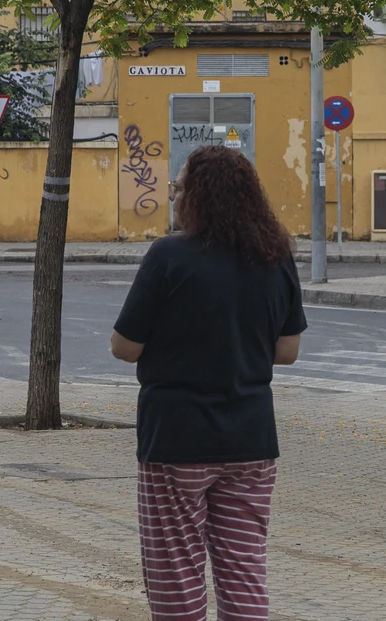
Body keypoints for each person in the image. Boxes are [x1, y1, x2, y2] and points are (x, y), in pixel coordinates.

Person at [110, 145, 306, 621]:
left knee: (176, 573)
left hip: (176, 438)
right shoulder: (275, 256)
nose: (174, 195)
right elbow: (288, 351)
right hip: (251, 441)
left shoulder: (167, 256)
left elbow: (124, 346)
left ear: (194, 197)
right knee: (244, 571)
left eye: (178, 187)